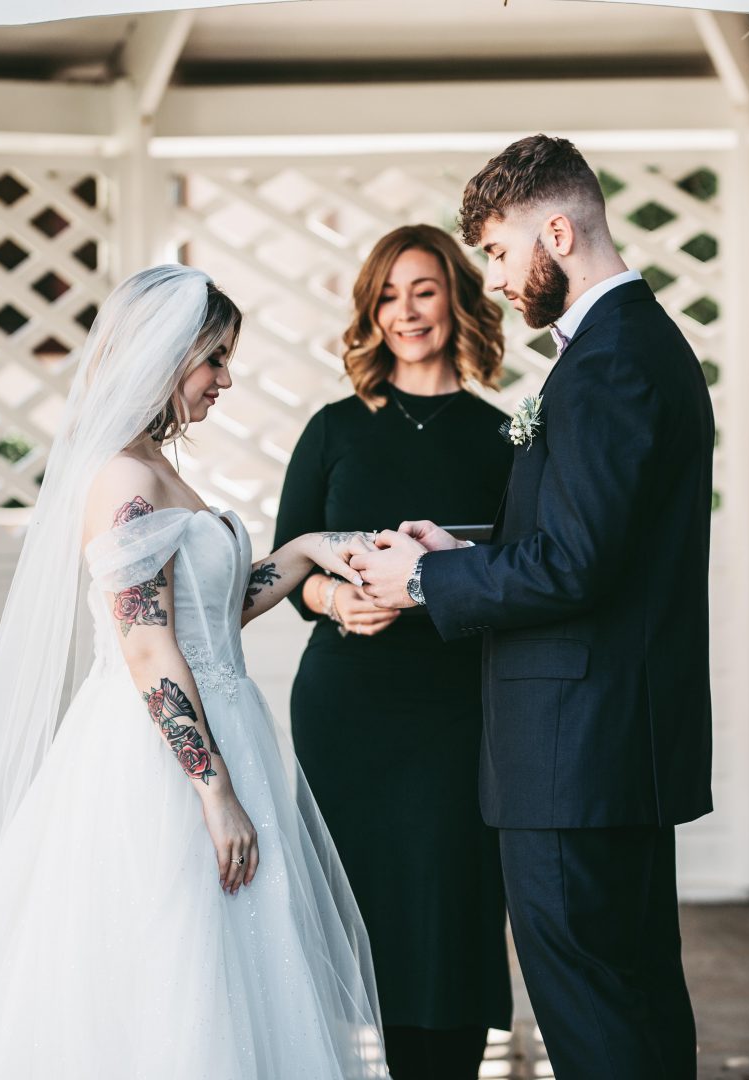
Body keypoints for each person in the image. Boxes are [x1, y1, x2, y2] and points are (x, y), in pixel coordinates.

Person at [0, 267, 390, 1079]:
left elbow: (215, 614)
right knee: (166, 966)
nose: (226, 378)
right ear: (167, 356)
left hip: (220, 728)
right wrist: (214, 793)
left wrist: (310, 549)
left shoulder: (156, 467)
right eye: (213, 360)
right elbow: (146, 648)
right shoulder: (123, 480)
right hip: (160, 763)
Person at [350, 135, 715, 1080]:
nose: (500, 279)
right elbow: (586, 538)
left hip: (573, 751)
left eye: (503, 253)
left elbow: (579, 564)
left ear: (558, 229)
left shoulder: (611, 361)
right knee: (629, 997)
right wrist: (461, 551)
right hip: (599, 749)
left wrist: (424, 584)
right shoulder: (625, 345)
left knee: (595, 1013)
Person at [273, 224, 514, 1080]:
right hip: (347, 709)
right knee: (349, 908)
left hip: (455, 709)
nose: (406, 311)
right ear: (370, 314)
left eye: (423, 290)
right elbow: (287, 568)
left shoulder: (502, 438)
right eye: (388, 295)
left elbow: (518, 576)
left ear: (456, 298)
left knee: (447, 907)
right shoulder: (333, 430)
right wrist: (336, 598)